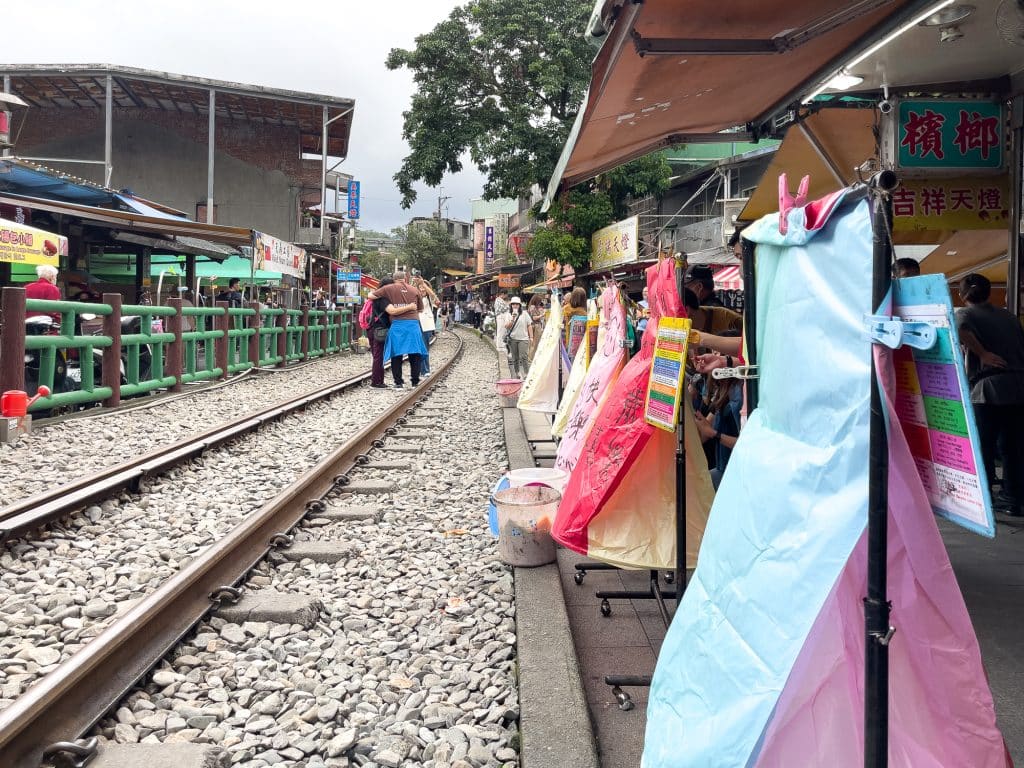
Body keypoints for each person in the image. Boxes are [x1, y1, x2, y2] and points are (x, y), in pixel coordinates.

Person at [956, 273, 1024, 516]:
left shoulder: (964, 313)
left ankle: (983, 497)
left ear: (962, 295)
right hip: (1017, 388)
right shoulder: (1009, 317)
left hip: (987, 391)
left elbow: (959, 327)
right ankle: (1013, 497)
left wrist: (982, 354)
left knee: (983, 445)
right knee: (1012, 447)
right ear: (989, 293)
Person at [369, 270, 427, 388]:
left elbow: (371, 296)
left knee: (397, 354)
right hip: (413, 324)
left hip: (397, 324)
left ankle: (398, 383)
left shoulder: (389, 288)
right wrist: (409, 307)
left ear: (394, 279)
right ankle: (415, 381)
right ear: (405, 278)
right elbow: (420, 309)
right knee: (414, 353)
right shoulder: (414, 290)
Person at [367, 277, 394, 388]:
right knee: (378, 357)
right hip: (380, 330)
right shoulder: (383, 300)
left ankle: (379, 380)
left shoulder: (376, 297)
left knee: (377, 356)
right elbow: (391, 311)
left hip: (372, 328)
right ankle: (376, 382)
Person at [413, 274, 438, 376]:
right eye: (420, 288)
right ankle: (418, 369)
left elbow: (433, 295)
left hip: (425, 324)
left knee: (424, 347)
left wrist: (423, 283)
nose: (422, 290)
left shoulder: (429, 299)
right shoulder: (415, 297)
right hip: (415, 323)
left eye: (424, 288)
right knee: (416, 347)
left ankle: (425, 370)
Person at [505, 296, 533, 378]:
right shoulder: (508, 314)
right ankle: (517, 372)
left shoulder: (524, 314)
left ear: (520, 305)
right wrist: (512, 318)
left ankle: (526, 373)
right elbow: (506, 326)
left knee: (524, 356)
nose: (515, 305)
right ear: (511, 305)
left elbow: (529, 325)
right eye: (513, 304)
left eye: (517, 304)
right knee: (515, 357)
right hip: (513, 338)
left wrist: (531, 337)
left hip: (523, 338)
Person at [564, 287, 589, 360]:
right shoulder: (585, 315)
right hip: (581, 349)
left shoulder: (564, 310)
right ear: (584, 299)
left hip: (565, 346)